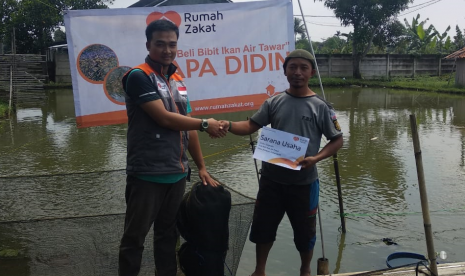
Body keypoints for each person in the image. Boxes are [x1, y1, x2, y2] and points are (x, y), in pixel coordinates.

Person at [220, 49, 343, 276]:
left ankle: (305, 270)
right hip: (271, 182)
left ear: (312, 72)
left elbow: (337, 140)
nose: (297, 72)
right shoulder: (273, 102)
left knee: (305, 233)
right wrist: (227, 124)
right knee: (263, 229)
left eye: (303, 68)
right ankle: (260, 270)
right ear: (284, 70)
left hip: (304, 184)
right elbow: (249, 127)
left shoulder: (321, 107)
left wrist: (315, 158)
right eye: (292, 67)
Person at [118, 19, 226, 276]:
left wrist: (201, 166)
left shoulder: (177, 77)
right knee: (135, 238)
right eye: (160, 44)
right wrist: (204, 123)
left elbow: (187, 125)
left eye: (172, 44)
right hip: (147, 174)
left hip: (177, 173)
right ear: (148, 44)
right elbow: (165, 119)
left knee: (168, 234)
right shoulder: (138, 76)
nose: (167, 50)